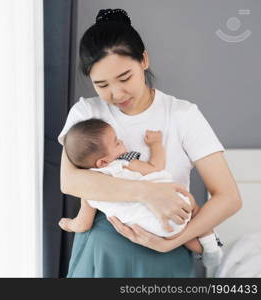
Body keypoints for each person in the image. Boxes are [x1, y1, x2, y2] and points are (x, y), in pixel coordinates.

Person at [58, 8, 241, 277]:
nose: (116, 93)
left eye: (125, 78)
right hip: (102, 250)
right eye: (102, 85)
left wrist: (173, 242)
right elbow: (71, 181)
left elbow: (228, 197)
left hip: (166, 249)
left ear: (144, 60)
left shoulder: (182, 115)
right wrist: (149, 193)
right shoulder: (87, 114)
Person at [58, 118, 223, 272]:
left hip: (148, 229)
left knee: (176, 231)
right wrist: (156, 145)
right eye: (117, 143)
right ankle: (211, 249)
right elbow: (156, 167)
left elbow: (83, 225)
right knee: (193, 210)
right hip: (172, 203)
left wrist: (68, 224)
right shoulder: (124, 163)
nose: (121, 142)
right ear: (103, 162)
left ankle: (207, 250)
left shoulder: (89, 189)